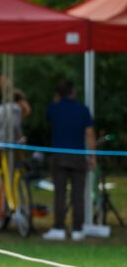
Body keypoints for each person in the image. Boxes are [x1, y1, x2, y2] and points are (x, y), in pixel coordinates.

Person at [43, 79, 95, 241]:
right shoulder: (83, 110)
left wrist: (56, 100)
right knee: (78, 194)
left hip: (59, 156)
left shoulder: (54, 108)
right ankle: (77, 229)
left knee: (60, 193)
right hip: (78, 155)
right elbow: (90, 134)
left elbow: (48, 119)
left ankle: (59, 227)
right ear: (73, 92)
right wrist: (92, 156)